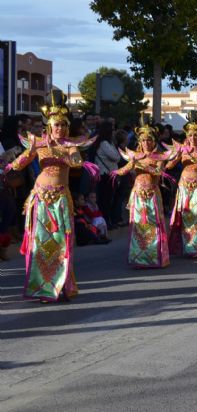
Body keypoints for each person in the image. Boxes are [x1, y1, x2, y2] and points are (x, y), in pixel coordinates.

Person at [4, 91, 98, 302]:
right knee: (39, 245)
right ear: (49, 126)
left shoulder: (70, 145)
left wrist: (75, 158)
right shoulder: (38, 144)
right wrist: (11, 165)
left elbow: (76, 161)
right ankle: (41, 287)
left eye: (64, 125)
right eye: (57, 125)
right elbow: (20, 163)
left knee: (60, 244)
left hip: (60, 202)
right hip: (40, 200)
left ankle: (60, 285)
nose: (61, 129)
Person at [112, 117, 170, 269]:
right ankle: (139, 257)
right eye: (143, 140)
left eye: (149, 140)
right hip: (137, 195)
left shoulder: (159, 157)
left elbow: (158, 171)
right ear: (139, 142)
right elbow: (125, 169)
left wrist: (144, 166)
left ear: (154, 141)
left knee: (152, 225)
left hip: (152, 195)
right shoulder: (135, 156)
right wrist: (115, 172)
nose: (146, 143)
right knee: (138, 226)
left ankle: (153, 256)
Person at [166, 111, 197, 258]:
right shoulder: (182, 149)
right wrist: (171, 157)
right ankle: (184, 244)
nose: (192, 138)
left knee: (194, 216)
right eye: (189, 135)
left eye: (195, 135)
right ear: (186, 135)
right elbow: (169, 166)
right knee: (183, 216)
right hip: (183, 186)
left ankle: (193, 247)